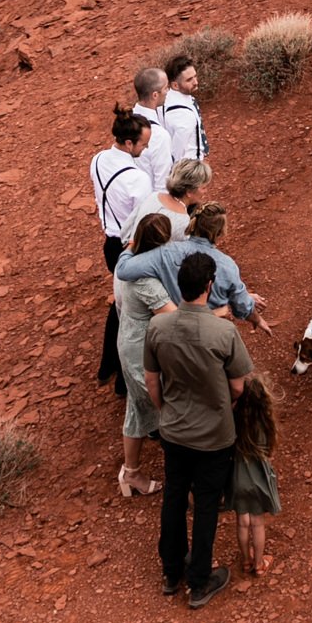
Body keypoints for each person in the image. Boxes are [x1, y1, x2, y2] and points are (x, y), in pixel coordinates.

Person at [144, 249, 251, 609]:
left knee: (174, 497)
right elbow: (239, 385)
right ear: (208, 286)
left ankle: (171, 573)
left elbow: (151, 380)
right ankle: (200, 581)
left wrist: (166, 413)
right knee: (206, 503)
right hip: (214, 436)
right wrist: (228, 408)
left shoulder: (157, 327)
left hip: (174, 431)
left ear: (180, 285)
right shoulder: (223, 332)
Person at [120, 202, 272, 335]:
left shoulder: (164, 253)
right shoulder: (227, 265)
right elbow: (242, 306)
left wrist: (132, 245)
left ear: (194, 223)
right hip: (208, 332)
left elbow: (123, 269)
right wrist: (257, 319)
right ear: (220, 232)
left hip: (173, 332)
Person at [91, 105, 154, 391]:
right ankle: (124, 383)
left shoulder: (98, 160)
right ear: (129, 143)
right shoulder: (137, 178)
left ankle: (107, 367)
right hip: (131, 248)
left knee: (121, 305)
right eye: (143, 144)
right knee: (136, 315)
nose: (145, 148)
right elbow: (144, 221)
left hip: (110, 244)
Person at [114, 211, 174, 499]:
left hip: (129, 343)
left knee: (138, 409)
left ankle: (131, 473)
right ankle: (184, 480)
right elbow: (177, 319)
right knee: (169, 411)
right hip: (142, 352)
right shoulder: (145, 280)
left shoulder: (129, 259)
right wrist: (219, 313)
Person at [230, 373, 282, 577]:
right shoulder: (263, 424)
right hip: (258, 478)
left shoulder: (235, 423)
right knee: (257, 522)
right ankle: (259, 564)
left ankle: (245, 560)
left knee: (242, 522)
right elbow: (269, 451)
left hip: (237, 478)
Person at [131, 65, 174, 196]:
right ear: (155, 95)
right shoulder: (159, 135)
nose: (168, 91)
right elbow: (163, 184)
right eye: (166, 88)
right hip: (150, 204)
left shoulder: (126, 122)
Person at [162, 51, 208, 166]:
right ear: (175, 85)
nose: (195, 82)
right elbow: (177, 149)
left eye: (195, 76)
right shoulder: (182, 114)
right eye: (189, 80)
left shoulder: (168, 98)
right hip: (188, 168)